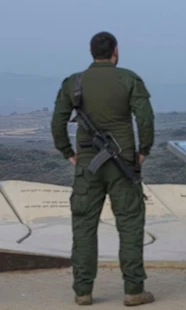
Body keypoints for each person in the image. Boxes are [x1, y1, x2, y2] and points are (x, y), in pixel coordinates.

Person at [50, 31, 156, 306]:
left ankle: (83, 291)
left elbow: (57, 122)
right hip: (123, 165)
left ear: (91, 52)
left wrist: (68, 154)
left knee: (84, 226)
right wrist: (143, 151)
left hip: (88, 165)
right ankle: (134, 289)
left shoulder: (74, 83)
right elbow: (145, 117)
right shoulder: (128, 79)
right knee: (130, 225)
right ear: (115, 51)